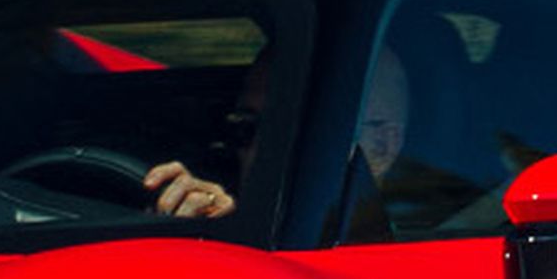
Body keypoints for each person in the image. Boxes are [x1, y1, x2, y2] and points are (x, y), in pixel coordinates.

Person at [144, 44, 410, 219]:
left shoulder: (429, 237)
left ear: (383, 145)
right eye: (245, 126)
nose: (258, 147)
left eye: (293, 130)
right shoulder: (219, 208)